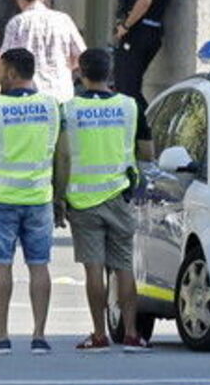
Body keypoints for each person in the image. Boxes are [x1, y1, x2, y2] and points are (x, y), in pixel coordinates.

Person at [0, 48, 61, 354]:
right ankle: (39, 336)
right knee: (39, 265)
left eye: (0, 69)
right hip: (40, 196)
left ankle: (1, 335)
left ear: (12, 74)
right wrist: (60, 195)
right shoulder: (52, 106)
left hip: (1, 198)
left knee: (1, 265)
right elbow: (62, 154)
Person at [54, 48, 149, 352]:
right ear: (110, 74)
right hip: (119, 195)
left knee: (93, 268)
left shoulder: (68, 109)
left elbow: (64, 156)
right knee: (123, 267)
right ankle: (132, 333)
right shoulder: (130, 106)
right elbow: (147, 153)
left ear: (80, 73)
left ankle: (98, 334)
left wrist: (59, 196)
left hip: (82, 199)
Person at [113, 0, 171, 152]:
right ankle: (144, 133)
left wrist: (125, 26)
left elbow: (145, 0)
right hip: (153, 32)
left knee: (127, 88)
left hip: (138, 35)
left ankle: (149, 132)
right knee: (132, 87)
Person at [0, 0, 86, 104]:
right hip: (61, 95)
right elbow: (82, 55)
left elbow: (4, 61)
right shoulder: (63, 20)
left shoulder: (17, 23)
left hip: (30, 98)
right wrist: (66, 67)